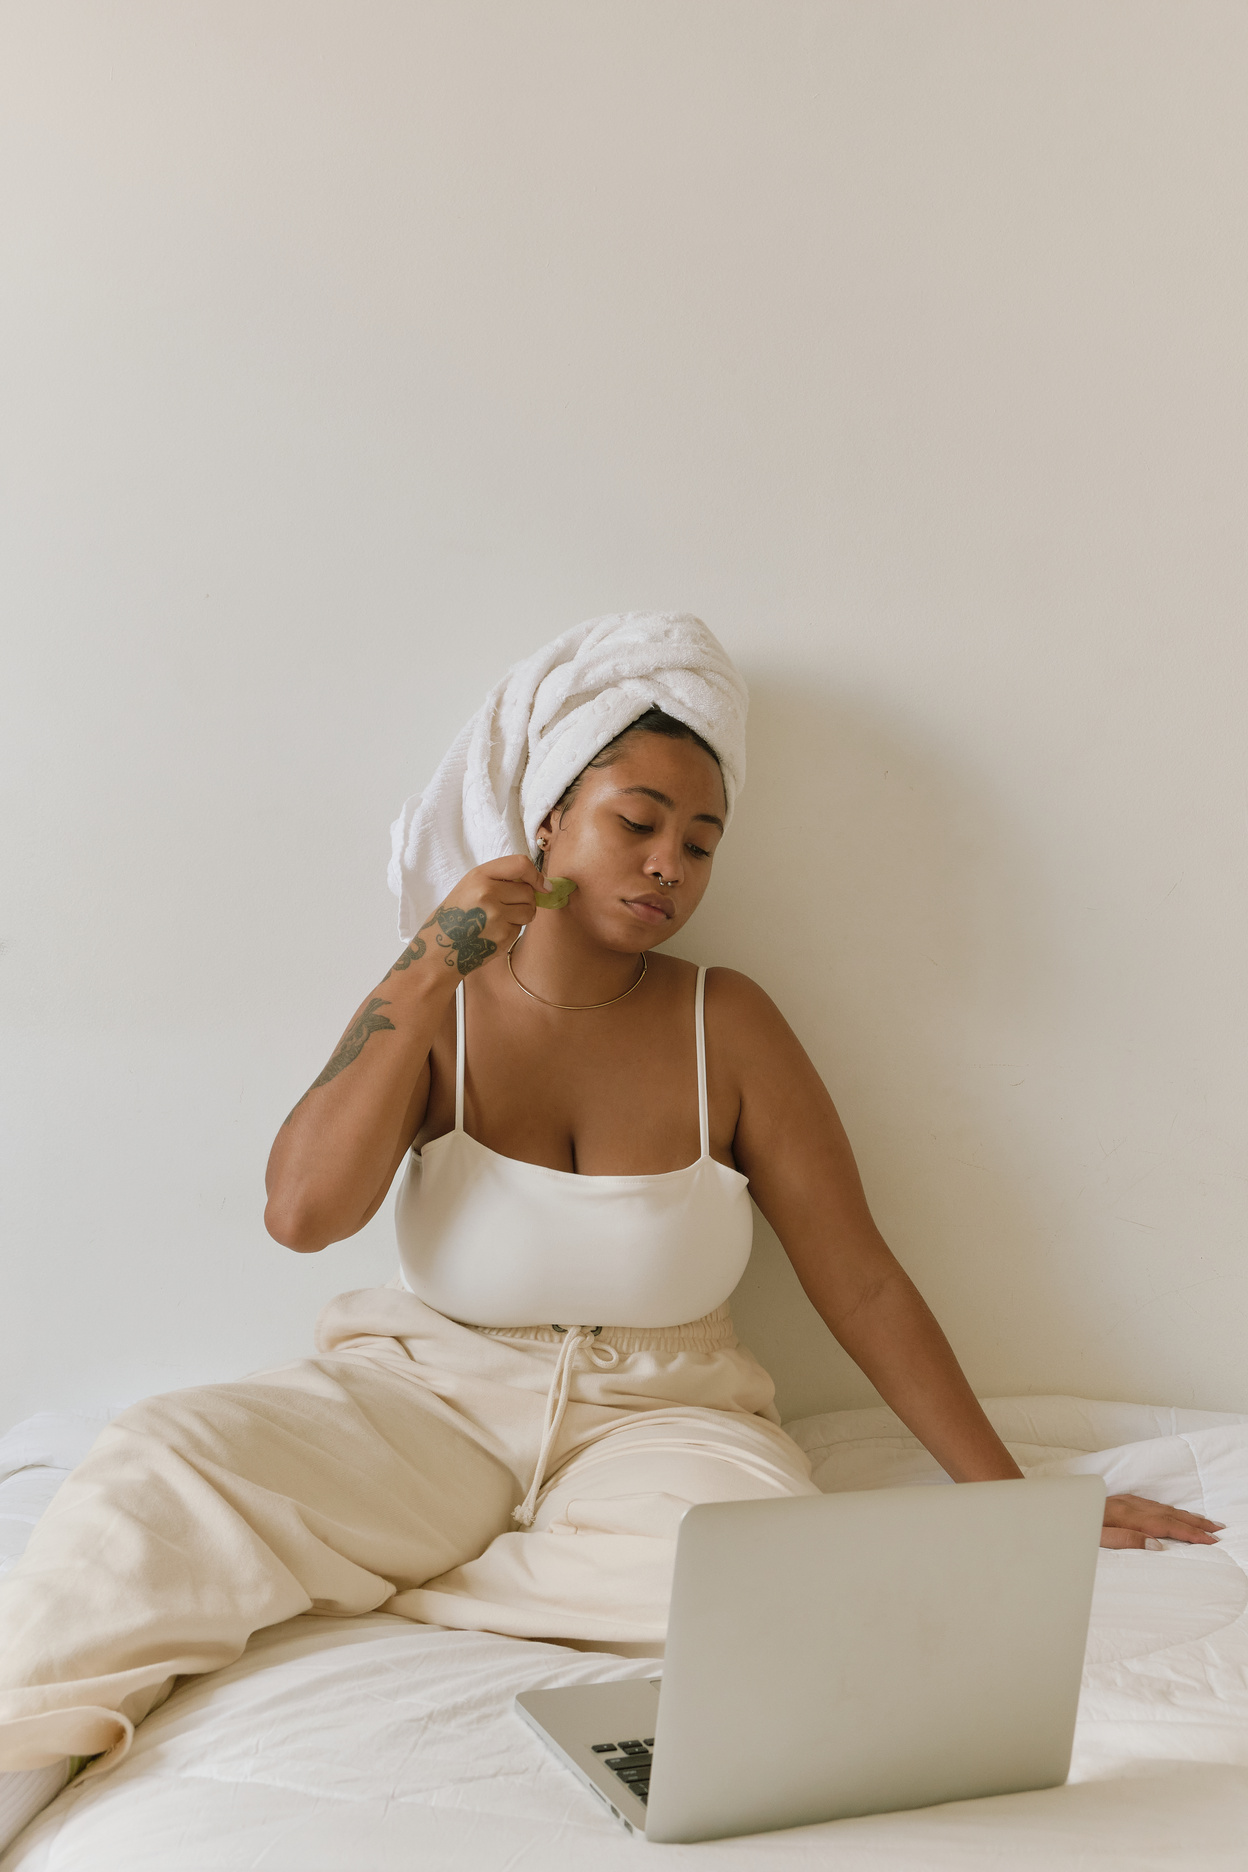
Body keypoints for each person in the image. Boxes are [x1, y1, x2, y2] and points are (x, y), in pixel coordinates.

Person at [0, 613, 1220, 1848]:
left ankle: (401, 1571)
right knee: (164, 1454)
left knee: (769, 1577)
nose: (667, 868)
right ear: (546, 821)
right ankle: (19, 1754)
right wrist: (426, 961)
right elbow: (303, 1214)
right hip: (426, 1397)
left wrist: (1002, 1497)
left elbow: (860, 1285)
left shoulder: (728, 1021)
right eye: (634, 823)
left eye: (700, 842)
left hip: (666, 1414)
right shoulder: (444, 1000)